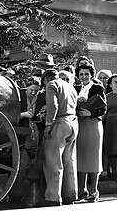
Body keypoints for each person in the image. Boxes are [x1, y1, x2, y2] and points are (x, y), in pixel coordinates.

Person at [42, 69, 79, 206]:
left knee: (53, 162)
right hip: (73, 123)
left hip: (59, 123)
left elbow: (53, 106)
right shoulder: (70, 87)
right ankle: (71, 195)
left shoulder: (51, 85)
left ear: (46, 79)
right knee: (69, 161)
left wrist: (48, 124)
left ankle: (53, 197)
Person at [75, 63, 106, 202]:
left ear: (91, 74)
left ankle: (93, 191)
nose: (84, 77)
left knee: (94, 158)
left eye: (86, 74)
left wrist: (90, 112)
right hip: (79, 125)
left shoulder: (97, 87)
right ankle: (82, 191)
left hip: (93, 124)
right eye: (81, 74)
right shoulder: (75, 88)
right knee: (80, 157)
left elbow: (103, 108)